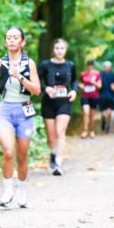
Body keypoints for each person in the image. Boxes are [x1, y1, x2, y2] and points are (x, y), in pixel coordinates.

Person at [0, 27, 41, 209]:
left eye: (15, 37)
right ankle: (7, 191)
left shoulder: (29, 63)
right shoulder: (0, 63)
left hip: (25, 110)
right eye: (8, 37)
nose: (11, 40)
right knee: (8, 152)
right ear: (5, 41)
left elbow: (37, 90)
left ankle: (21, 191)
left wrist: (19, 77)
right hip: (5, 111)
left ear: (22, 42)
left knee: (22, 156)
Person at [38, 39, 77, 175]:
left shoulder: (70, 65)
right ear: (53, 50)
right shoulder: (45, 65)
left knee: (60, 132)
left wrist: (74, 91)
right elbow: (36, 81)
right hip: (48, 103)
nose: (59, 51)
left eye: (62, 48)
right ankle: (53, 152)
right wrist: (46, 88)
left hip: (64, 102)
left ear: (66, 50)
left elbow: (74, 81)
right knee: (51, 137)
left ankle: (58, 164)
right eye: (57, 48)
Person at [78, 59, 102, 139]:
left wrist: (94, 82)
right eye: (88, 65)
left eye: (91, 65)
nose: (90, 67)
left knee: (92, 115)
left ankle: (91, 131)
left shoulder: (97, 74)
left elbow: (100, 86)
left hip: (94, 96)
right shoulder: (83, 74)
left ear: (93, 66)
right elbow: (79, 83)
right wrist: (81, 86)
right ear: (87, 65)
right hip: (85, 96)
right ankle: (85, 131)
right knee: (86, 112)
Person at [98, 61, 114, 134]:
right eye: (106, 66)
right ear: (104, 67)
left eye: (109, 66)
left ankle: (107, 126)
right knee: (104, 113)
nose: (107, 67)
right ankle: (103, 120)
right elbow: (98, 85)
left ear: (111, 67)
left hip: (111, 97)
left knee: (109, 113)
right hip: (102, 96)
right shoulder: (100, 75)